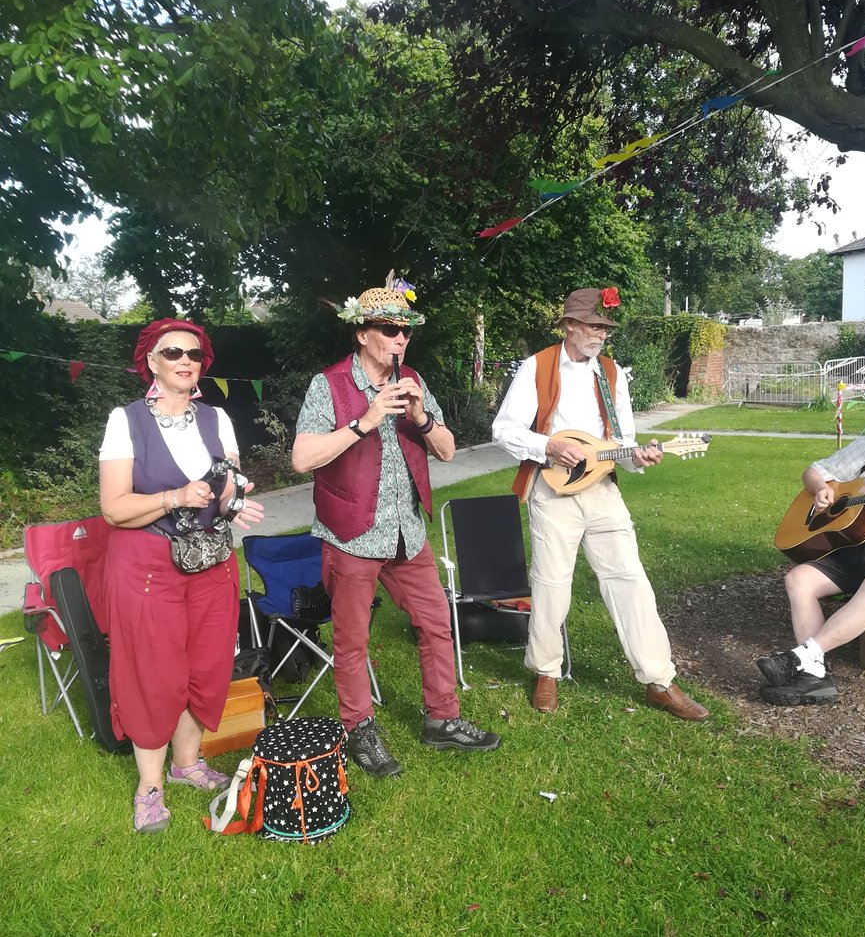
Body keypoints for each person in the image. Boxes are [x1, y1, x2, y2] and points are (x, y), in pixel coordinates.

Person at [291, 276, 502, 777]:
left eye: (406, 331)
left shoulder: (414, 381)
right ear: (362, 334)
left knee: (436, 622)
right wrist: (364, 421)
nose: (400, 339)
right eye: (390, 329)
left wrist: (422, 417)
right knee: (352, 640)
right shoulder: (329, 385)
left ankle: (442, 719)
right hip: (352, 534)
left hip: (406, 532)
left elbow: (446, 451)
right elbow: (302, 458)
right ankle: (359, 729)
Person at [492, 287, 709, 721]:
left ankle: (659, 680)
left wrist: (638, 457)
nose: (601, 334)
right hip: (552, 488)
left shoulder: (611, 373)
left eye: (605, 327)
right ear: (570, 326)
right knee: (551, 583)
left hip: (602, 488)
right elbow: (504, 429)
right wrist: (548, 445)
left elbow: (622, 441)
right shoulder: (537, 366)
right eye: (594, 325)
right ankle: (546, 672)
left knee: (630, 579)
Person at [100, 319, 265, 833]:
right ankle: (149, 787)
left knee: (207, 665)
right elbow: (113, 508)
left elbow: (227, 487)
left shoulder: (217, 418)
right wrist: (174, 497)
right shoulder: (126, 421)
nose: (185, 360)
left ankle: (187, 763)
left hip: (211, 563)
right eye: (172, 352)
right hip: (147, 566)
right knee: (153, 672)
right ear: (151, 362)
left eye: (193, 353)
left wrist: (235, 501)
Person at [757, 388, 865, 706]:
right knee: (799, 579)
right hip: (860, 542)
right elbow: (813, 472)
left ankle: (799, 659)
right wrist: (821, 489)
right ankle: (815, 676)